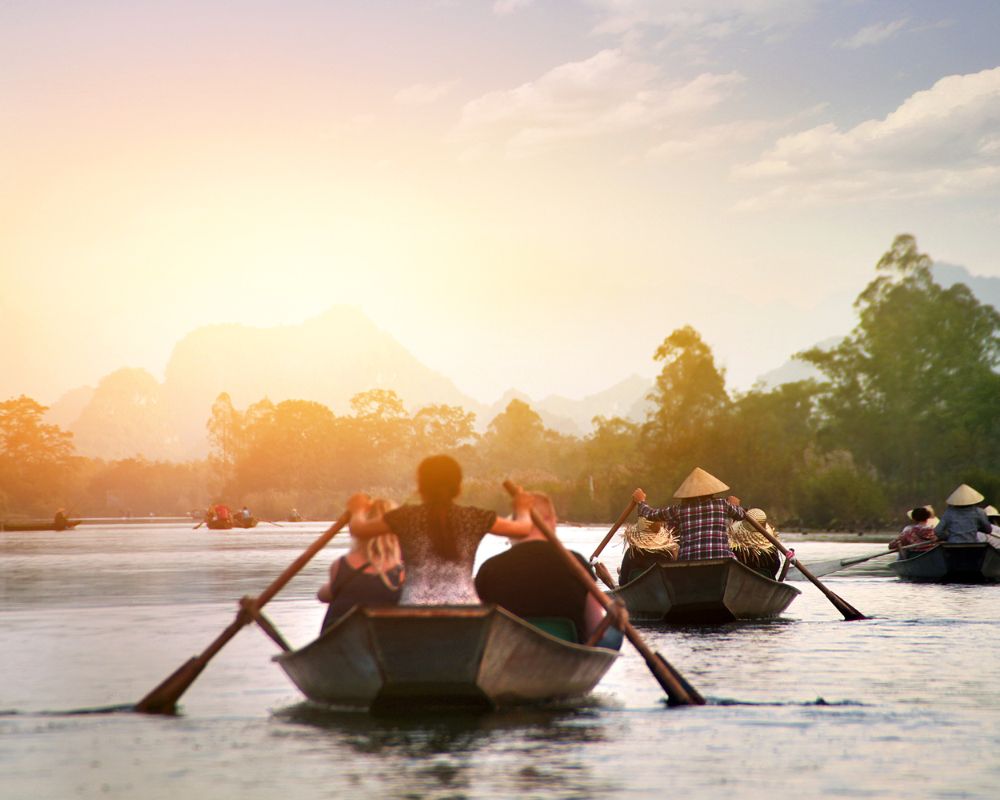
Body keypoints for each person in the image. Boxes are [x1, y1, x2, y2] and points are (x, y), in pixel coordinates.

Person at [346, 455, 533, 604]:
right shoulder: (475, 518)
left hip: (414, 610)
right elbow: (523, 528)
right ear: (458, 488)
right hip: (465, 610)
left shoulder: (405, 517)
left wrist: (358, 509)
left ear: (420, 487)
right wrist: (522, 507)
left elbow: (358, 529)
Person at [475, 492, 624, 649]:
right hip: (568, 656)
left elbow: (480, 630)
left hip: (507, 656)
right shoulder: (576, 564)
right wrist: (617, 617)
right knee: (613, 629)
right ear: (551, 521)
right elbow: (596, 626)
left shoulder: (488, 569)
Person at [317, 499, 403, 632]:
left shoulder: (340, 565)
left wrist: (325, 590)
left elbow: (323, 596)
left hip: (338, 639)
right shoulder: (403, 572)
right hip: (381, 638)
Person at [632, 467, 747, 561]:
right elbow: (741, 515)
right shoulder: (722, 504)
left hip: (688, 563)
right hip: (722, 559)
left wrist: (641, 501)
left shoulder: (680, 509)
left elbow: (651, 514)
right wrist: (735, 505)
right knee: (736, 560)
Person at [618, 516, 678, 584]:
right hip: (659, 589)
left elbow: (622, 582)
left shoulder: (631, 553)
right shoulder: (667, 553)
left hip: (637, 590)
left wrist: (620, 574)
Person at [728, 508, 781, 578]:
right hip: (766, 581)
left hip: (742, 582)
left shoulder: (735, 550)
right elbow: (775, 567)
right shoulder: (772, 550)